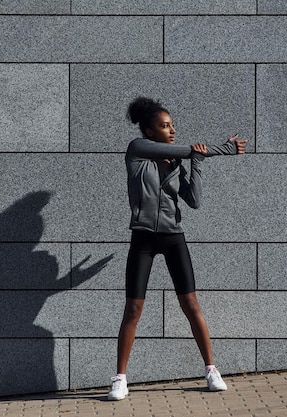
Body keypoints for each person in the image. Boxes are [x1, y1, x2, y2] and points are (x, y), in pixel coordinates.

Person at [108, 97, 248, 401]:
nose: (172, 130)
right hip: (143, 238)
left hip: (173, 237)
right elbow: (183, 148)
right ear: (148, 131)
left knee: (191, 305)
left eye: (172, 125)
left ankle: (211, 370)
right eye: (165, 125)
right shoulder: (137, 150)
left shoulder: (175, 162)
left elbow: (194, 201)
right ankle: (120, 379)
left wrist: (197, 163)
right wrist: (224, 148)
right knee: (133, 308)